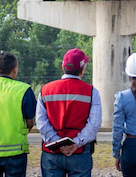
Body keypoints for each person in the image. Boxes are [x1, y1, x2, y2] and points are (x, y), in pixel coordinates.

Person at [36, 49, 101, 177]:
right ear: (82, 70)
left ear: (63, 67)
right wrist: (76, 143)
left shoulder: (45, 90)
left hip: (52, 154)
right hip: (80, 153)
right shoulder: (92, 92)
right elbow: (94, 124)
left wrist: (57, 143)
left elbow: (41, 122)